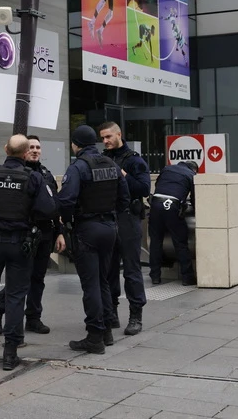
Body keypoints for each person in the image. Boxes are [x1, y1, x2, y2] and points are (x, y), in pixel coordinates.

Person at [0, 134, 56, 371]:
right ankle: (9, 354)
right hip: (20, 245)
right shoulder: (34, 178)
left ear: (6, 149)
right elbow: (48, 209)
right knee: (16, 297)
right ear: (26, 153)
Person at [57, 125, 130, 353]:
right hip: (110, 227)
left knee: (91, 285)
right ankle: (107, 330)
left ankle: (95, 337)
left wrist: (68, 223)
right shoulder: (112, 164)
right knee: (104, 281)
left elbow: (66, 200)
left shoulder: (78, 167)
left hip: (87, 229)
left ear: (75, 144)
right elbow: (124, 198)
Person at [0, 135, 65, 338]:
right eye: (31, 147)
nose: (35, 150)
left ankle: (33, 317)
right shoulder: (16, 173)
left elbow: (55, 206)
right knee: (20, 279)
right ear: (24, 151)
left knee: (38, 278)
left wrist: (60, 233)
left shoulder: (46, 174)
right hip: (23, 233)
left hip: (45, 233)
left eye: (38, 147)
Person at [98, 121, 150, 336]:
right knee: (109, 269)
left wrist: (123, 174)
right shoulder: (103, 159)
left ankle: (135, 316)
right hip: (108, 217)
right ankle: (111, 314)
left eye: (108, 136)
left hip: (128, 218)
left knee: (131, 269)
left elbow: (144, 188)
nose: (105, 141)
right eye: (102, 138)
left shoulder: (134, 160)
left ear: (119, 134)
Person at [148, 161, 197, 286]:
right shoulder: (191, 174)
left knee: (155, 241)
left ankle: (155, 276)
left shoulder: (167, 169)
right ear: (194, 169)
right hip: (172, 206)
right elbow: (194, 198)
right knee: (180, 242)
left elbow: (158, 184)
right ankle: (187, 277)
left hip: (156, 203)